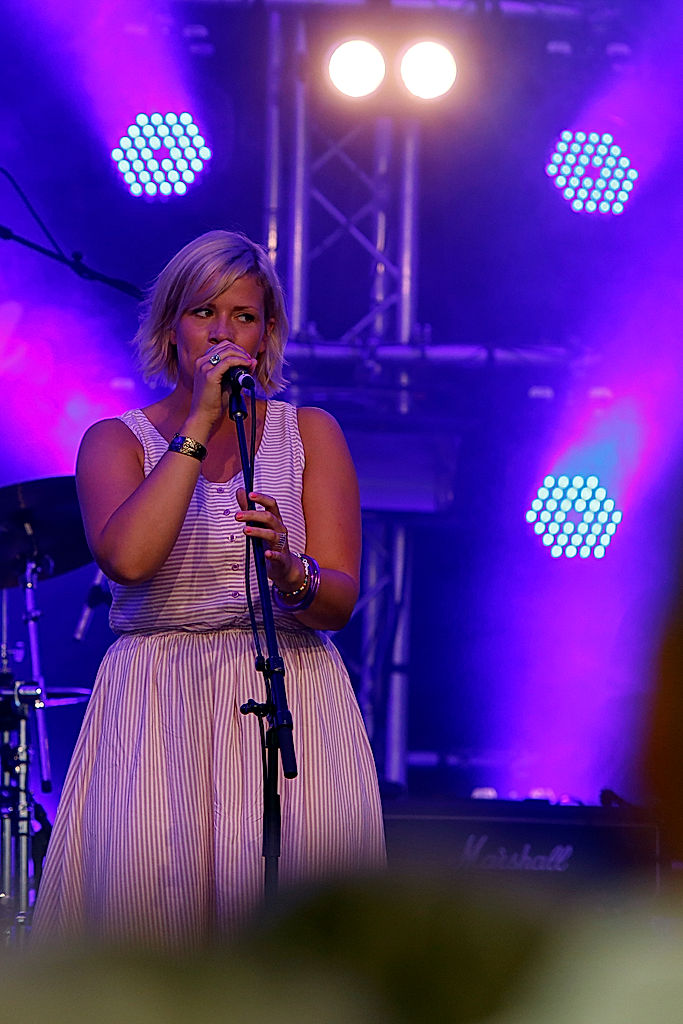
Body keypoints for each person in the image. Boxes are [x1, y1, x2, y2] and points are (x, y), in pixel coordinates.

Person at [31, 229, 386, 950]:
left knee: (296, 946)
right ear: (171, 328)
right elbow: (129, 560)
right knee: (148, 939)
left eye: (243, 316)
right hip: (157, 700)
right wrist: (198, 422)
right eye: (203, 313)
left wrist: (292, 571)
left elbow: (340, 601)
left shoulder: (311, 434)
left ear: (265, 335)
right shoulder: (115, 440)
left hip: (289, 689)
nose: (222, 333)